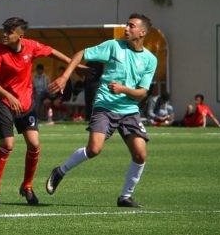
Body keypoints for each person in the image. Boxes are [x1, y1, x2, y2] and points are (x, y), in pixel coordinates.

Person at [46, 13, 158, 208]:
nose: (126, 28)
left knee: (140, 155)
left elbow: (142, 92)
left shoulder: (150, 59)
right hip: (105, 106)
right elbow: (81, 53)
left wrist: (123, 89)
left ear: (142, 32)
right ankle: (60, 171)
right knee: (94, 149)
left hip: (130, 110)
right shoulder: (113, 46)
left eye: (131, 26)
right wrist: (64, 77)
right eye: (126, 25)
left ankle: (125, 197)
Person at [0, 17, 74, 207]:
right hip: (3, 101)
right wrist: (9, 97)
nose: (4, 35)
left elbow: (51, 51)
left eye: (9, 32)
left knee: (34, 144)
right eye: (4, 31)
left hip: (26, 104)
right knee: (7, 145)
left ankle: (27, 186)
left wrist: (73, 63)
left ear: (20, 36)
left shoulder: (31, 46)